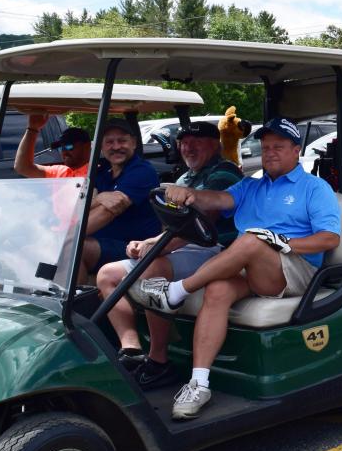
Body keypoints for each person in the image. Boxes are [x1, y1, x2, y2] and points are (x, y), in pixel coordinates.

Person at [128, 117, 342, 419]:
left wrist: (282, 242)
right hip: (255, 269)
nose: (269, 153)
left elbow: (330, 238)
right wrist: (190, 195)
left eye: (278, 147)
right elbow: (218, 198)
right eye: (266, 147)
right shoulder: (251, 185)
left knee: (253, 239)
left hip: (297, 270)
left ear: (296, 150)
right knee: (217, 290)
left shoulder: (314, 188)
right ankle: (199, 383)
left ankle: (175, 293)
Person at [95, 121, 243, 389]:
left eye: (196, 143)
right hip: (185, 249)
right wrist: (145, 243)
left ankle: (159, 361)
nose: (188, 147)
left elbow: (198, 227)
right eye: (184, 142)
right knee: (107, 275)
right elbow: (169, 229)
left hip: (216, 250)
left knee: (154, 268)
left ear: (215, 145)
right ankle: (132, 350)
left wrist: (155, 248)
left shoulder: (224, 173)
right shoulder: (183, 179)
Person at [82, 118, 161, 279]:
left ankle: (76, 303)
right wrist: (100, 198)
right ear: (102, 147)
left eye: (122, 141)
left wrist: (68, 236)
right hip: (104, 244)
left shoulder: (142, 171)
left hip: (135, 249)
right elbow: (82, 202)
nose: (116, 146)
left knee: (74, 247)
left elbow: (110, 209)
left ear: (133, 143)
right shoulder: (101, 171)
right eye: (110, 142)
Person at [15, 116, 91, 178]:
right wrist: (32, 128)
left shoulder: (97, 174)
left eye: (68, 146)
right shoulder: (59, 172)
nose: (64, 152)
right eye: (61, 147)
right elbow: (23, 168)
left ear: (86, 147)